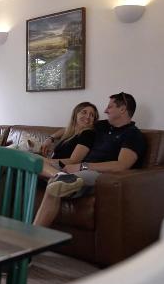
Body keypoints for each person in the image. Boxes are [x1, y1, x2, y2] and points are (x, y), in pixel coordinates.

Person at [33, 92, 147, 227]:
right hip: (77, 170)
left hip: (99, 174)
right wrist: (51, 138)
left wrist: (83, 166)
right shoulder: (103, 126)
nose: (105, 110)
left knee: (55, 186)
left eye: (110, 107)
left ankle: (34, 235)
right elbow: (74, 127)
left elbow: (122, 165)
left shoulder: (133, 135)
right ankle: (61, 176)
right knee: (34, 162)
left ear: (122, 109)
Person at [38, 102, 99, 179]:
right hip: (52, 166)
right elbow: (64, 130)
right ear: (75, 114)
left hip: (62, 169)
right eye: (84, 112)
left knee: (30, 161)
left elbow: (74, 161)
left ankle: (65, 178)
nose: (88, 117)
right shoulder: (71, 132)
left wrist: (47, 161)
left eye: (92, 115)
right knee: (27, 159)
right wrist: (50, 138)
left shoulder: (87, 134)